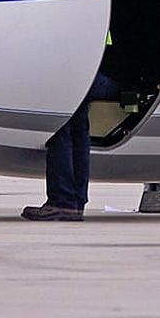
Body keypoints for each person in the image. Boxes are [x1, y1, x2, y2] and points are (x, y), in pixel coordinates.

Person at [23, 33, 121, 221]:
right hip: (101, 72)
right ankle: (75, 202)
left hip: (85, 72)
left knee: (60, 130)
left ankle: (63, 201)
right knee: (78, 129)